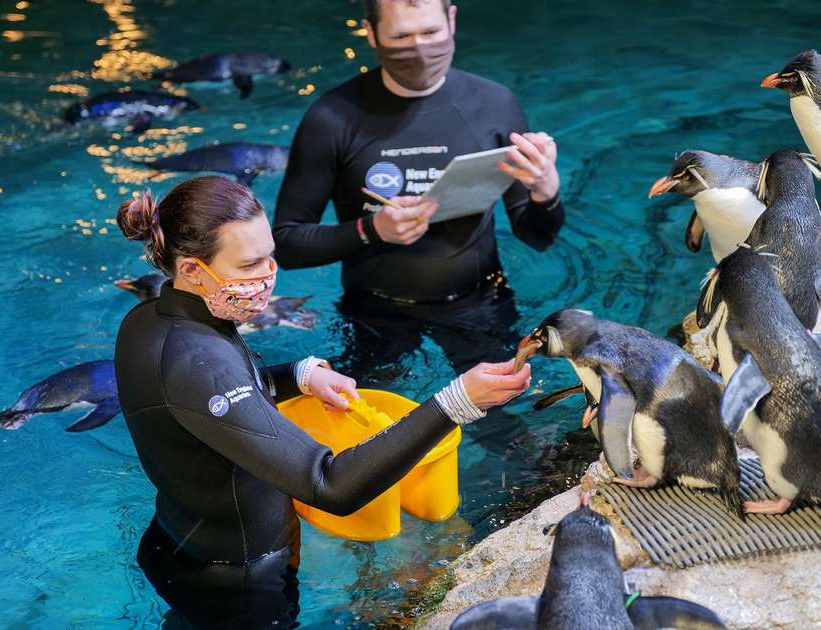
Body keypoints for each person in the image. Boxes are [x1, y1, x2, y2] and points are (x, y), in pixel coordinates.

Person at [113, 176, 532, 627]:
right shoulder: (200, 363)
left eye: (269, 255)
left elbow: (204, 406)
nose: (267, 274)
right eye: (250, 264)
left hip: (179, 541)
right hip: (237, 585)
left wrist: (299, 375)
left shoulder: (149, 321)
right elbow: (330, 486)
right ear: (193, 270)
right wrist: (456, 403)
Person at [272, 0, 565, 438]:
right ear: (371, 34)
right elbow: (286, 244)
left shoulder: (494, 104)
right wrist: (371, 229)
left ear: (452, 20)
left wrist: (545, 191)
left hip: (479, 301)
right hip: (376, 310)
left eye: (429, 33)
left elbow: (537, 235)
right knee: (363, 431)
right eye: (401, 37)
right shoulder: (331, 117)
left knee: (511, 430)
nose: (419, 49)